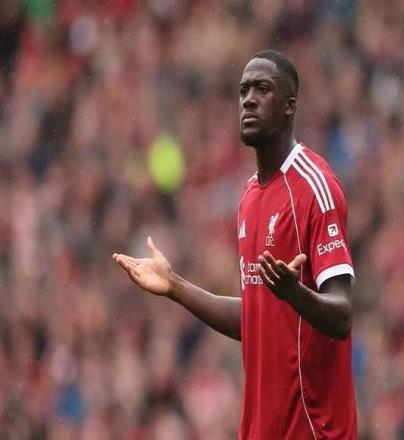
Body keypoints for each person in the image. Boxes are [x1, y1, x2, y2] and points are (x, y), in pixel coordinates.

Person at [113, 50, 356, 439]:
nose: (249, 100)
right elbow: (256, 318)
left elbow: (342, 316)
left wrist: (294, 294)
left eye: (262, 89)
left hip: (312, 429)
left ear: (290, 105)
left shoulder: (315, 187)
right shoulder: (248, 199)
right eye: (243, 91)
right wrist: (174, 285)